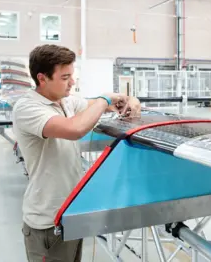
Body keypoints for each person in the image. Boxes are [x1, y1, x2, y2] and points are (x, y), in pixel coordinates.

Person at [12, 44, 141, 262]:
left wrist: (129, 100)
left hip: (69, 216)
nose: (72, 82)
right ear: (42, 78)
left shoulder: (65, 101)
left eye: (72, 76)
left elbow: (105, 104)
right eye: (65, 77)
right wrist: (104, 100)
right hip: (46, 222)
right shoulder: (28, 108)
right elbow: (74, 129)